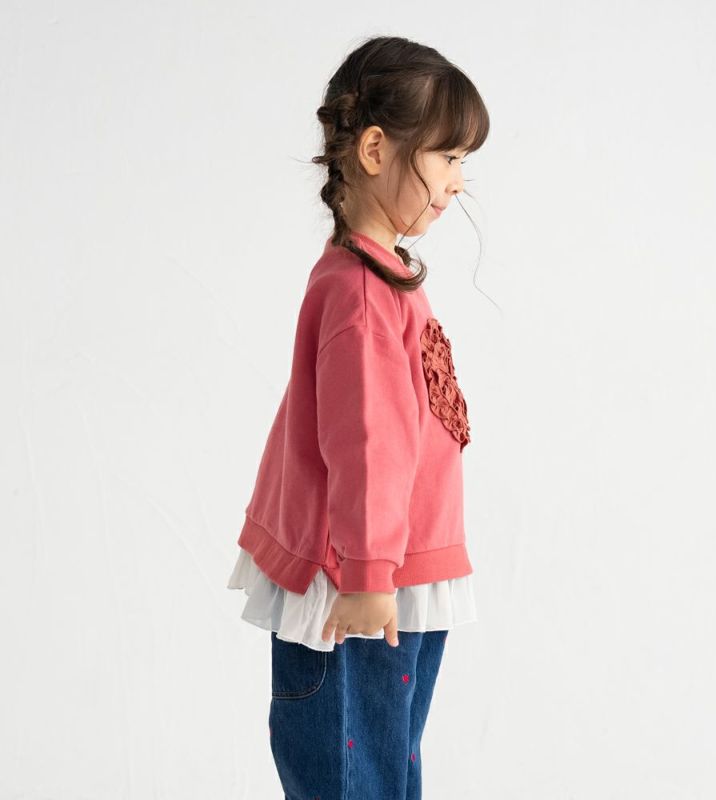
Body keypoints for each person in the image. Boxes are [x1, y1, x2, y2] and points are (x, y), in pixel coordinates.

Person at [227, 34, 490, 799]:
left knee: (376, 769)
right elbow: (368, 441)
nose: (459, 181)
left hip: (389, 577)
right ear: (376, 149)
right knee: (354, 776)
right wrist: (371, 574)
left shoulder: (377, 278)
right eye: (447, 156)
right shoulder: (363, 294)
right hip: (361, 584)